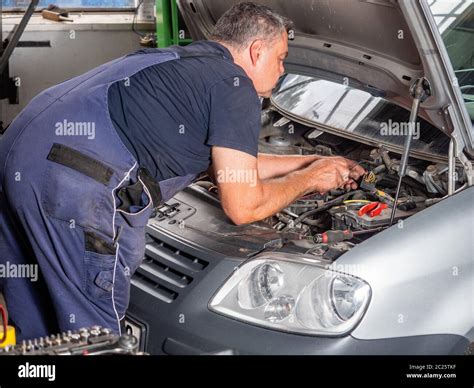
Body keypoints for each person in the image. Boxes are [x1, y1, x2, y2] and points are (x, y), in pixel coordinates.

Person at [0, 2, 364, 340]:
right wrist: (310, 180)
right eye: (282, 58)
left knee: (40, 327)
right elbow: (243, 206)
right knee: (94, 336)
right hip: (72, 184)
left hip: (17, 158)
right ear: (257, 51)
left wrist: (309, 163)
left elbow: (232, 167)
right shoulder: (235, 85)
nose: (283, 70)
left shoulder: (183, 61)